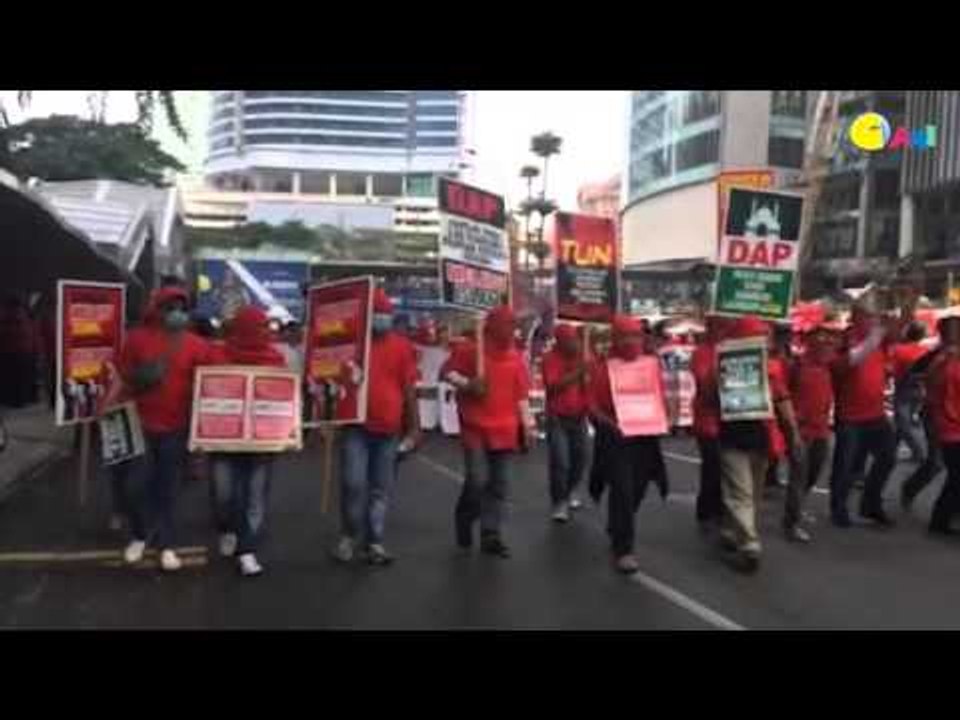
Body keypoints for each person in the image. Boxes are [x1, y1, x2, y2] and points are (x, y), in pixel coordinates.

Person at [117, 286, 212, 572]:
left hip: (177, 427)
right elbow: (122, 377)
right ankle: (139, 534)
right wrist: (106, 407)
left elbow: (212, 384)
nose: (176, 312)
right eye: (170, 306)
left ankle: (167, 544)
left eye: (182, 307)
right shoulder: (135, 339)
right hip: (139, 423)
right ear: (156, 309)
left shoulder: (197, 345)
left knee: (168, 488)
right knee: (134, 487)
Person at [331, 288, 421, 566]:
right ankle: (349, 535)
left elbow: (408, 388)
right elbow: (329, 378)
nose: (382, 318)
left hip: (389, 428)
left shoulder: (402, 346)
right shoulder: (350, 344)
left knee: (380, 489)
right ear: (367, 317)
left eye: (385, 314)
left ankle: (374, 541)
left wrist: (414, 428)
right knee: (353, 483)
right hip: (355, 425)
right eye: (377, 314)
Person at [440, 305, 535, 559]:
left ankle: (490, 533)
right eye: (508, 324)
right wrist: (468, 384)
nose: (512, 330)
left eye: (514, 324)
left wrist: (528, 425)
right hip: (475, 426)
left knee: (499, 484)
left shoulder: (515, 358)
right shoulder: (470, 350)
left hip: (505, 428)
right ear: (492, 327)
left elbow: (521, 394)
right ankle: (465, 516)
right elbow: (445, 372)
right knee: (477, 480)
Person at [711, 316, 801, 573]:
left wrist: (792, 432)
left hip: (760, 437)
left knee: (752, 493)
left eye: (766, 335)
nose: (766, 340)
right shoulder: (721, 364)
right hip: (732, 436)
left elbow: (783, 399)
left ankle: (732, 530)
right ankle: (750, 545)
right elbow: (707, 396)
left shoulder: (772, 367)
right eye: (760, 335)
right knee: (741, 492)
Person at [208, 306, 287, 577]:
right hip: (224, 442)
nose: (266, 332)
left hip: (260, 444)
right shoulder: (218, 358)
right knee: (224, 493)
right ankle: (227, 528)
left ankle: (248, 549)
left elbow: (282, 400)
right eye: (261, 327)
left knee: (255, 497)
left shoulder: (276, 361)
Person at [588, 314, 669, 574]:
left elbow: (659, 396)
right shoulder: (603, 368)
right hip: (616, 440)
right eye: (626, 336)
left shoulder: (651, 365)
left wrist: (665, 415)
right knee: (622, 489)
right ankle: (624, 548)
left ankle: (617, 523)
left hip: (644, 438)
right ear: (615, 339)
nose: (632, 341)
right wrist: (609, 425)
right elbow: (592, 406)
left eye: (636, 336)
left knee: (638, 488)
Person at [828, 303, 897, 528]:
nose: (873, 320)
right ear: (856, 318)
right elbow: (851, 360)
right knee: (845, 468)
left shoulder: (877, 342)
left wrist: (909, 301)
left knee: (888, 458)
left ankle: (870, 504)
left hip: (876, 415)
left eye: (874, 316)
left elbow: (901, 329)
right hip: (850, 417)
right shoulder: (843, 342)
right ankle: (838, 508)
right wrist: (877, 334)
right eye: (868, 316)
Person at [782, 325, 837, 542]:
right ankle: (791, 522)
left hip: (822, 430)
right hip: (801, 432)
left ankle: (796, 509)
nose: (826, 347)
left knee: (812, 474)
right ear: (810, 345)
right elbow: (783, 395)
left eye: (828, 343)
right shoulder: (796, 366)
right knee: (799, 476)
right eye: (822, 343)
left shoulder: (827, 369)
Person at [542, 323, 590, 523]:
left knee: (581, 459)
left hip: (580, 417)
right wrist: (579, 373)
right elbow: (552, 387)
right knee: (561, 462)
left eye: (575, 340)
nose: (574, 344)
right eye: (569, 340)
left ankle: (571, 490)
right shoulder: (550, 359)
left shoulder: (584, 356)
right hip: (557, 418)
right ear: (560, 342)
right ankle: (559, 501)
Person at [921, 315, 960, 536]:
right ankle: (940, 520)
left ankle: (947, 516)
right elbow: (931, 385)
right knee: (956, 475)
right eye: (953, 330)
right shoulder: (939, 359)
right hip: (948, 424)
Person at [691, 315, 726, 530]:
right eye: (720, 326)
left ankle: (719, 510)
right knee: (713, 465)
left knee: (726, 466)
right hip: (707, 419)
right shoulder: (701, 353)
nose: (723, 331)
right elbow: (704, 384)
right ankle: (706, 510)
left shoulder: (731, 350)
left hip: (729, 418)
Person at [889, 321, 930, 464]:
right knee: (901, 422)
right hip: (920, 390)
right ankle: (889, 450)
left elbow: (890, 369)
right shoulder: (925, 351)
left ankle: (919, 453)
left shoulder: (899, 350)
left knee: (903, 423)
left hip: (903, 389)